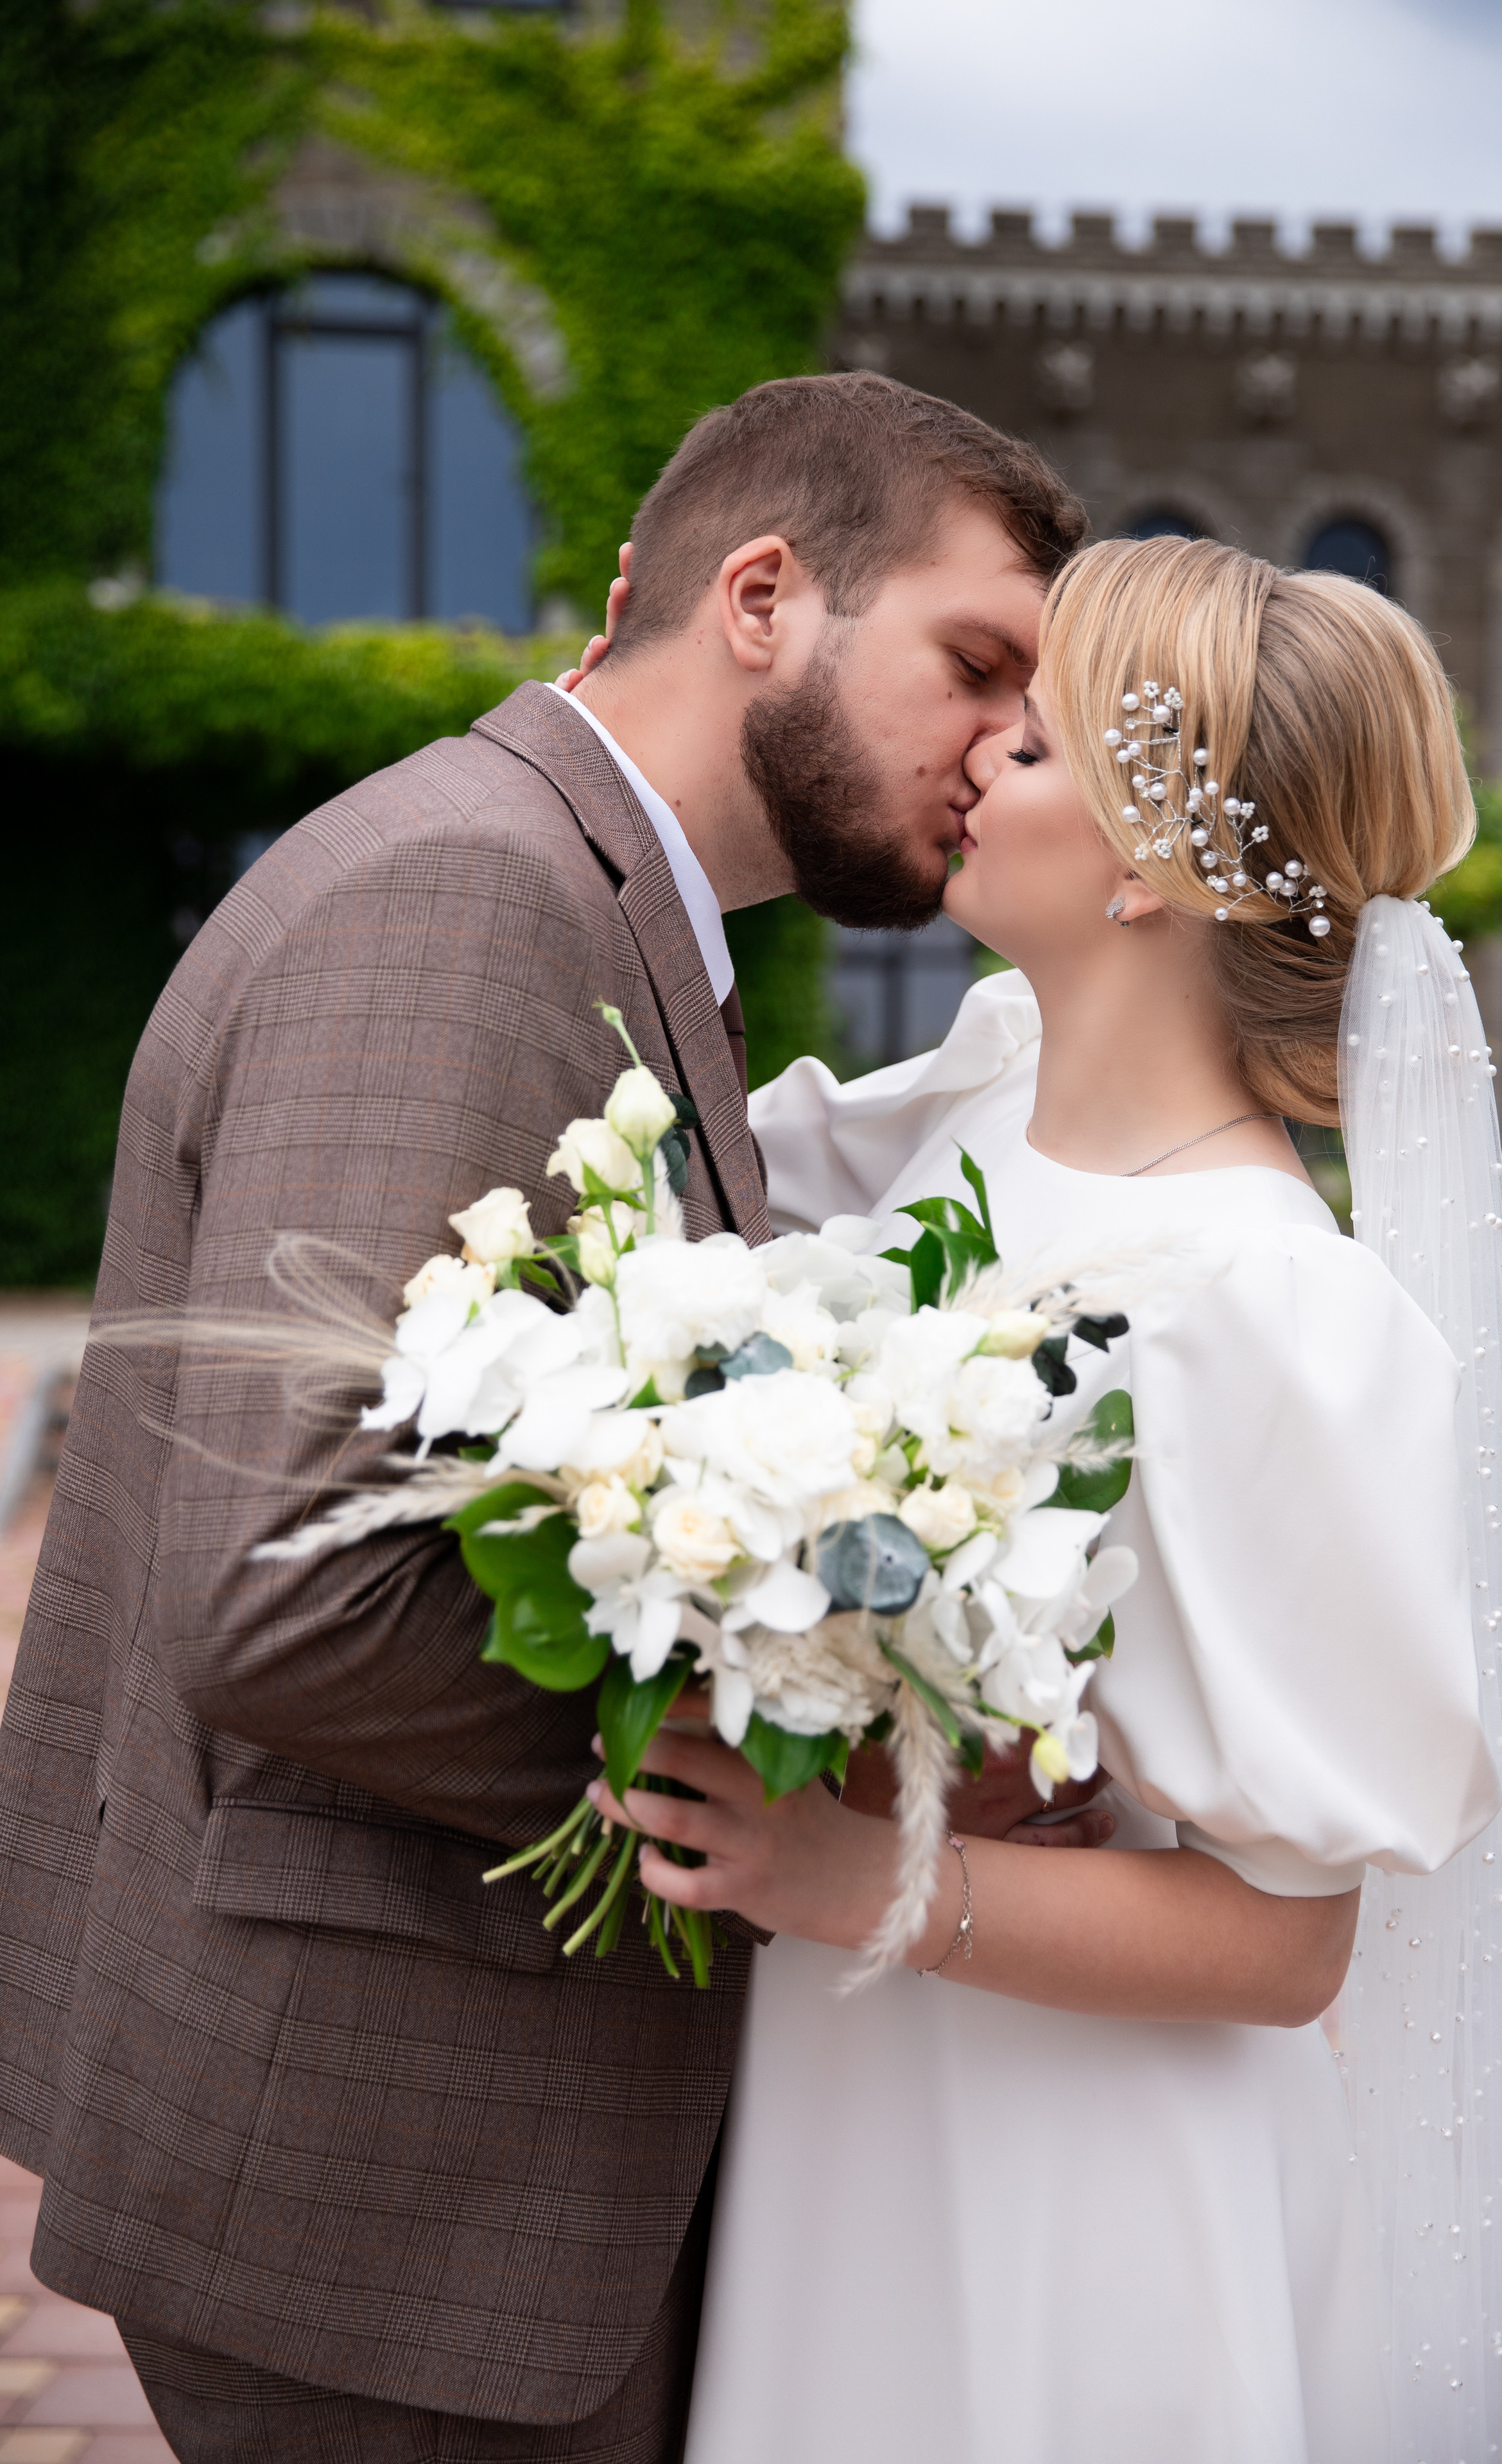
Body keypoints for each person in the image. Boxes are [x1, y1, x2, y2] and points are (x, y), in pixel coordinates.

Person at [0, 373, 1087, 2463]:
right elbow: (293, 1597)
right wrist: (838, 1774)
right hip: (394, 2181)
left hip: (404, 2151)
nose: (1002, 744)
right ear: (764, 596)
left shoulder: (580, 896)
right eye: (975, 663)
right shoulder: (474, 898)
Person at [590, 536, 1502, 2463]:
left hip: (1086, 2169)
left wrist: (870, 1883)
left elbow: (1292, 1946)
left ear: (1156, 866)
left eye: (1025, 747)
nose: (969, 765)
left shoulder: (1279, 1309)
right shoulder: (971, 1096)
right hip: (861, 2100)